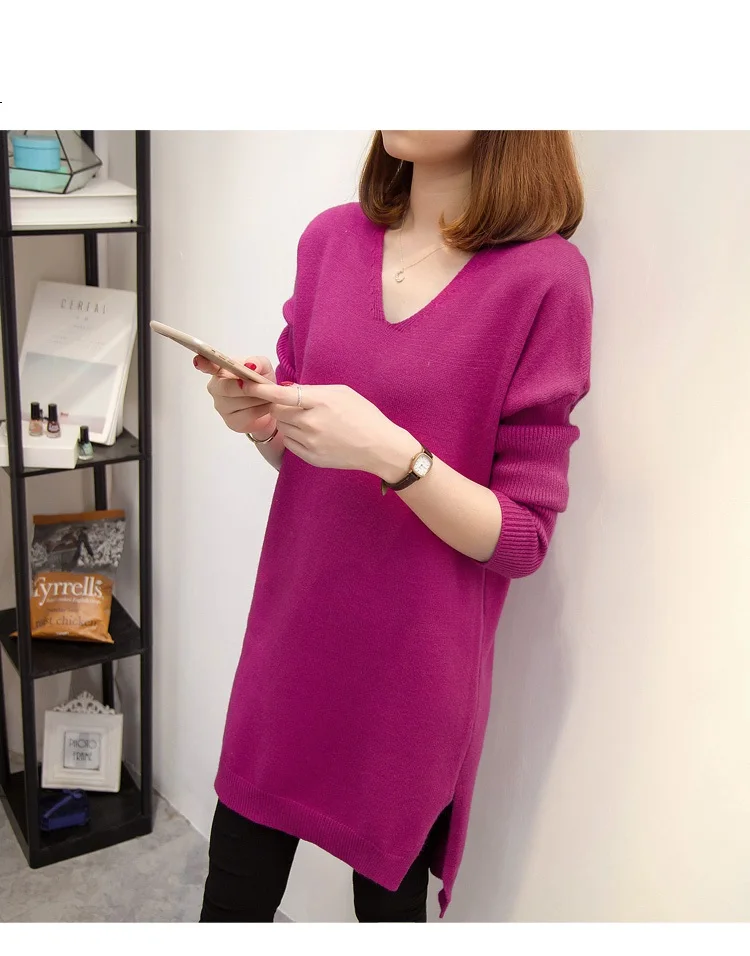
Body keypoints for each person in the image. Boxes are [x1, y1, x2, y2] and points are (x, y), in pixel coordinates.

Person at [194, 130, 593, 922]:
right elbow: (305, 458)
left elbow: (522, 538)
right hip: (292, 636)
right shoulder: (329, 241)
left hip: (414, 675)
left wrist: (392, 453)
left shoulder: (546, 278)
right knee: (232, 896)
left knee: (387, 911)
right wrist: (263, 421)